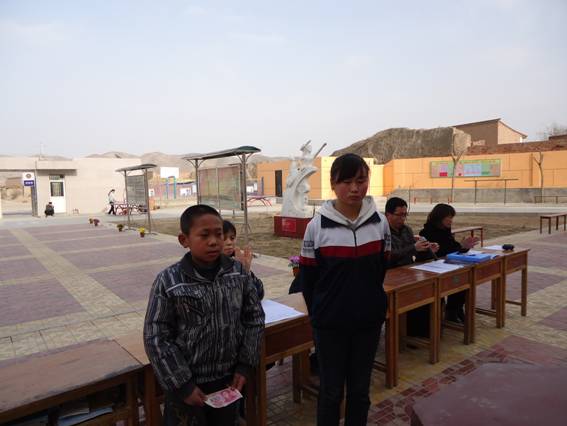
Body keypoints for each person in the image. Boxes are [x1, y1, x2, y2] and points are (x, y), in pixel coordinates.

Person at [144, 204, 265, 426]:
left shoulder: (238, 273)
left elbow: (254, 319)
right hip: (187, 387)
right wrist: (183, 385)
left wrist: (245, 365)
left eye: (219, 234)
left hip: (228, 381)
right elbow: (156, 336)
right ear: (184, 240)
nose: (214, 241)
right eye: (204, 235)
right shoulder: (169, 281)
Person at [299, 153, 391, 426]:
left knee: (360, 391)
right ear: (333, 184)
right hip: (330, 326)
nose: (354, 188)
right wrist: (321, 313)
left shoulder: (380, 223)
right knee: (330, 392)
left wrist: (370, 302)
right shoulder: (316, 226)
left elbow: (380, 269)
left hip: (368, 322)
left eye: (361, 181)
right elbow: (308, 279)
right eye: (346, 182)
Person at [385, 197, 439, 338]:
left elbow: (413, 252)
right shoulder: (382, 232)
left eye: (405, 214)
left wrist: (427, 249)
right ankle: (405, 335)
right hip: (390, 276)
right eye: (399, 215)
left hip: (408, 272)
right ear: (388, 214)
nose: (403, 218)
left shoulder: (407, 230)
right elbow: (389, 256)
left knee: (429, 294)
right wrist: (414, 248)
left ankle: (421, 332)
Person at [418, 203, 479, 323]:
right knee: (456, 279)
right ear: (440, 217)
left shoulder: (446, 231)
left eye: (452, 217)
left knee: (464, 277)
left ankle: (455, 309)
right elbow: (442, 251)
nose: (451, 220)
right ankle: (450, 312)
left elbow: (453, 248)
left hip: (445, 266)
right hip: (431, 269)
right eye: (449, 217)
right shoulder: (427, 232)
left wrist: (464, 247)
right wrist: (460, 246)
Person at [222, 219, 265, 300]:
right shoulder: (209, 268)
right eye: (223, 238)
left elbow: (259, 294)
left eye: (232, 238)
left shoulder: (237, 262)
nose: (229, 242)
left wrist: (246, 272)